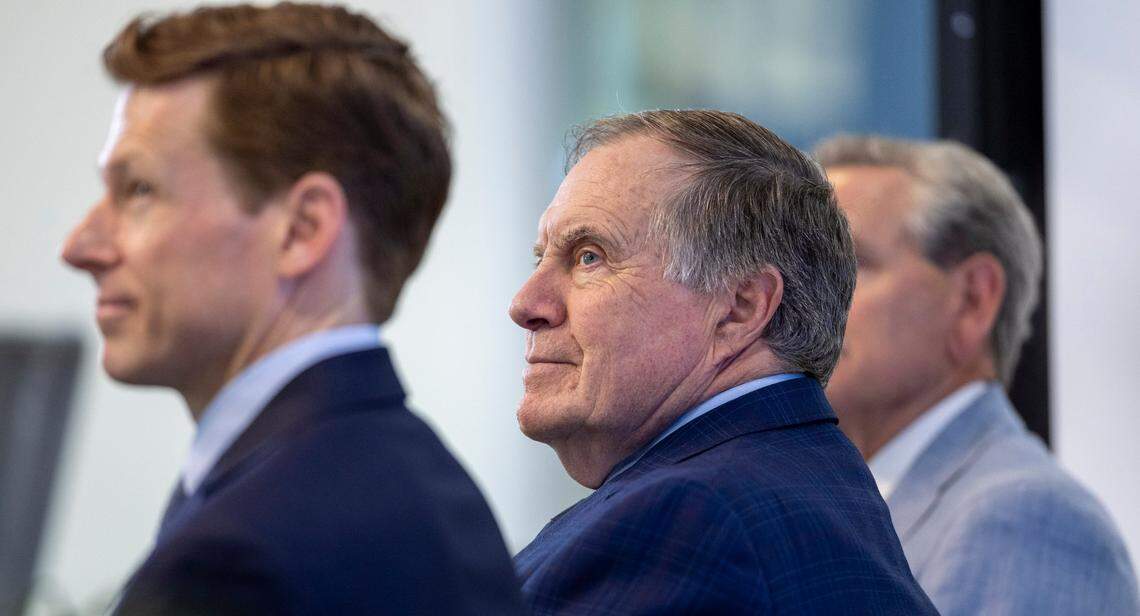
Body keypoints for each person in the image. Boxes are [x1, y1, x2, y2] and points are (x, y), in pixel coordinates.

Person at [61, 4, 522, 614]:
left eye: (139, 189)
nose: (80, 247)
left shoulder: (233, 563)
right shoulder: (439, 495)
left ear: (302, 230)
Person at [509, 110, 936, 614]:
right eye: (541, 259)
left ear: (739, 308)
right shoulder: (801, 484)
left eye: (589, 256)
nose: (526, 304)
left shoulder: (686, 521)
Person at [816, 134, 1138, 615]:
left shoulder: (1030, 520)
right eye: (800, 268)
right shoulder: (836, 505)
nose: (798, 299)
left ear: (973, 301)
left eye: (845, 264)